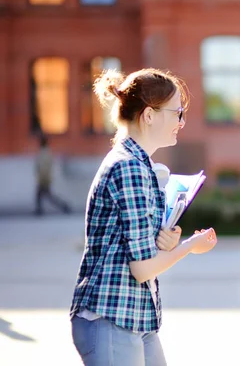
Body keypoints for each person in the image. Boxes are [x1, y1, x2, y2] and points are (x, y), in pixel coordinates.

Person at [70, 68, 218, 366]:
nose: (181, 122)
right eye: (177, 113)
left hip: (132, 317)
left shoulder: (137, 164)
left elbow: (133, 251)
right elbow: (140, 270)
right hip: (111, 317)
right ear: (149, 115)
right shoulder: (130, 169)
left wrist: (164, 242)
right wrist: (190, 245)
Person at [35, 134, 71, 215]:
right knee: (42, 195)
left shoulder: (44, 153)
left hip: (44, 179)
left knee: (48, 196)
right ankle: (39, 209)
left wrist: (42, 178)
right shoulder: (46, 152)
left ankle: (64, 206)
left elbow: (43, 168)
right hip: (44, 178)